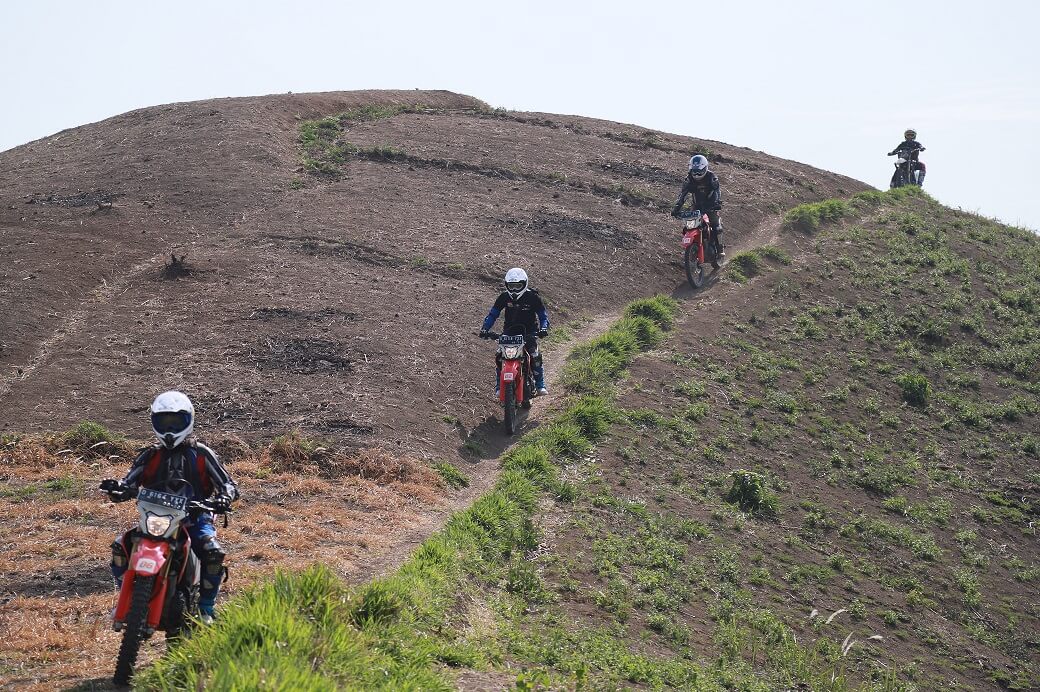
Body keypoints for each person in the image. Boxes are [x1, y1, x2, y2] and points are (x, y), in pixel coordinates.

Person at [103, 390, 238, 624]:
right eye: (164, 421)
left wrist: (224, 498)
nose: (170, 428)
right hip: (156, 518)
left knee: (213, 553)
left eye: (176, 422)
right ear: (154, 422)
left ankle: (206, 607)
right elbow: (129, 482)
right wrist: (118, 489)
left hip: (196, 518)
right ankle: (127, 598)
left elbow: (228, 484)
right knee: (120, 547)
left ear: (189, 421)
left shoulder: (202, 453)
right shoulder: (150, 455)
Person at [479, 267, 550, 396]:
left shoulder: (533, 297)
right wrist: (485, 328)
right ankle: (499, 386)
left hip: (529, 331)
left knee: (535, 356)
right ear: (506, 285)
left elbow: (543, 315)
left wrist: (544, 328)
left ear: (524, 284)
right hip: (509, 332)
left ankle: (540, 385)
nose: (514, 290)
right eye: (511, 286)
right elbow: (492, 314)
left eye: (518, 286)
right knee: (500, 356)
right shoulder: (503, 297)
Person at [671, 154, 724, 259]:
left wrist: (717, 202)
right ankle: (692, 248)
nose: (696, 174)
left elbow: (717, 191)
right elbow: (683, 195)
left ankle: (720, 249)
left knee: (716, 225)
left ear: (705, 168)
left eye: (699, 171)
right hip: (697, 205)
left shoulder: (711, 177)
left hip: (711, 204)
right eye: (694, 171)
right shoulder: (689, 179)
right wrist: (676, 208)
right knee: (688, 226)